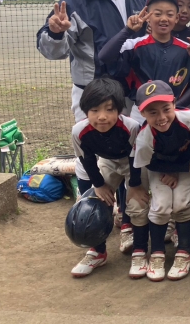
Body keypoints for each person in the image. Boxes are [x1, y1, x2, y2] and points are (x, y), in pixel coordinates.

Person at [37, 0, 145, 225]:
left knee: (128, 152)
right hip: (92, 94)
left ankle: (127, 220)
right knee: (89, 154)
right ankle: (91, 221)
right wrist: (55, 32)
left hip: (129, 91)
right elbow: (53, 51)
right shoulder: (74, 1)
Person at [131, 80, 190, 282]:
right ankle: (157, 253)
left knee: (181, 202)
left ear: (174, 103)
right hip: (162, 167)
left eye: (166, 109)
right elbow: (150, 164)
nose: (161, 117)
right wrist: (178, 169)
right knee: (161, 206)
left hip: (186, 162)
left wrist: (184, 167)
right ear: (142, 113)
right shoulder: (144, 137)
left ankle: (185, 251)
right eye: (152, 112)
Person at [69, 78, 146, 278]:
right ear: (86, 111)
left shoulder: (131, 127)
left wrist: (135, 186)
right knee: (94, 201)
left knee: (137, 204)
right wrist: (99, 185)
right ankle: (98, 252)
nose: (102, 117)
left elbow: (136, 159)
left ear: (119, 110)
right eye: (94, 110)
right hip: (108, 162)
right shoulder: (79, 131)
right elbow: (87, 160)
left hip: (132, 163)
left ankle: (140, 250)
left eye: (109, 110)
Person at [98, 0, 190, 121]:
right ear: (147, 16)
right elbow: (105, 56)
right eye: (157, 14)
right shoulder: (135, 45)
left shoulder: (186, 48)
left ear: (176, 18)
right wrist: (128, 30)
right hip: (142, 112)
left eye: (170, 14)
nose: (164, 19)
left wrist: (175, 106)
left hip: (174, 112)